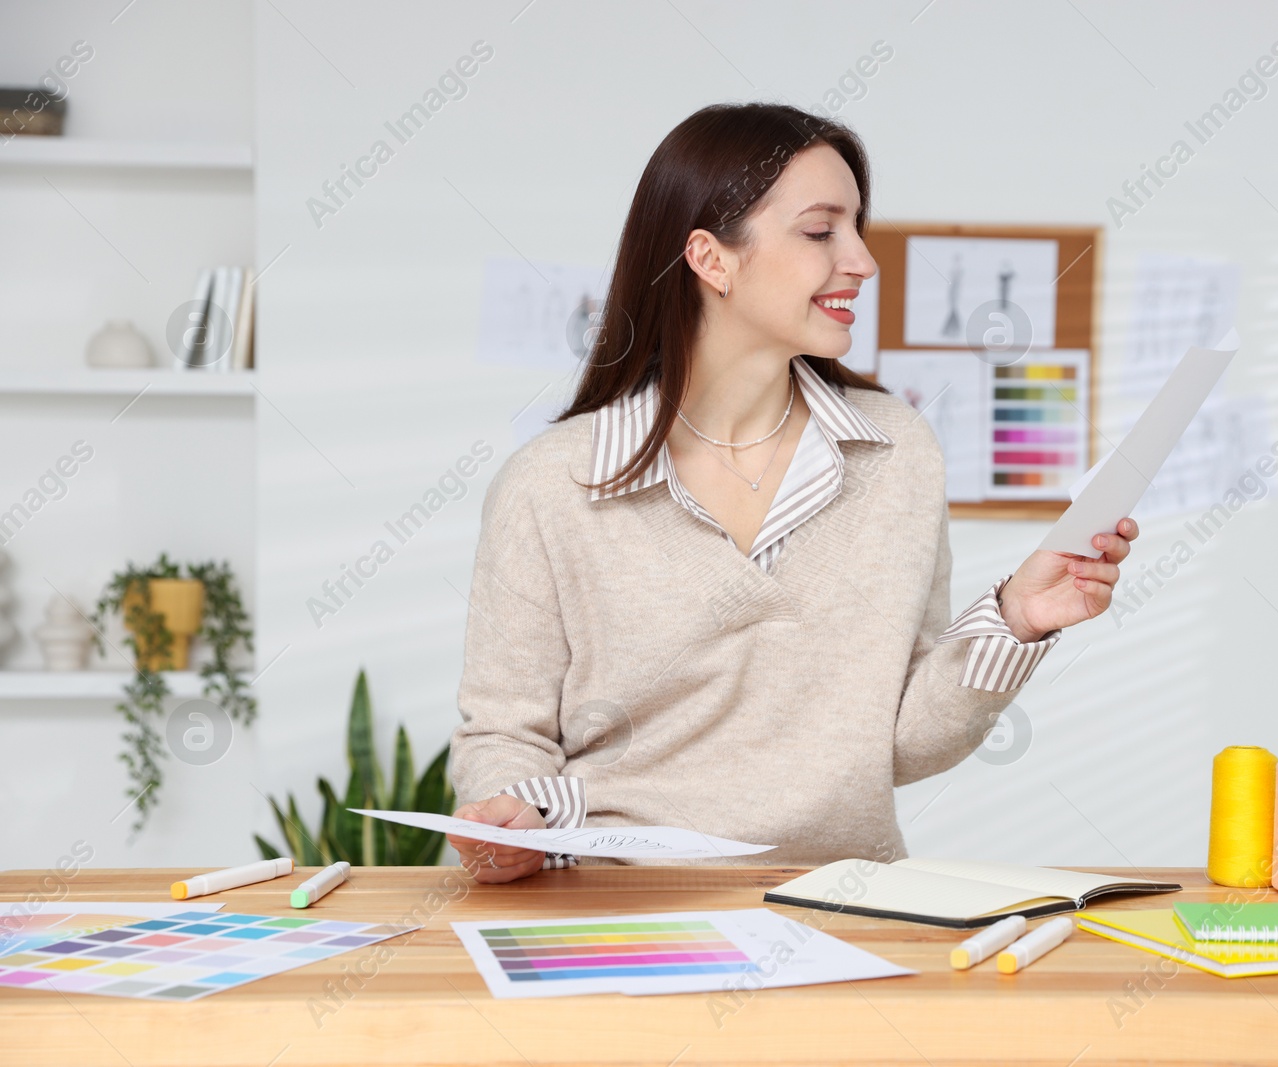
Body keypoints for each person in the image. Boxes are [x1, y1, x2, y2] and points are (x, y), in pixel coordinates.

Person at [446, 102, 1138, 882]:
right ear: (712, 259)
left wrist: (1018, 620)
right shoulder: (555, 484)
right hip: (619, 913)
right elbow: (505, 734)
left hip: (844, 904)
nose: (862, 261)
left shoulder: (895, 455)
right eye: (821, 232)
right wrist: (509, 812)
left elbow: (898, 740)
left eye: (857, 230)